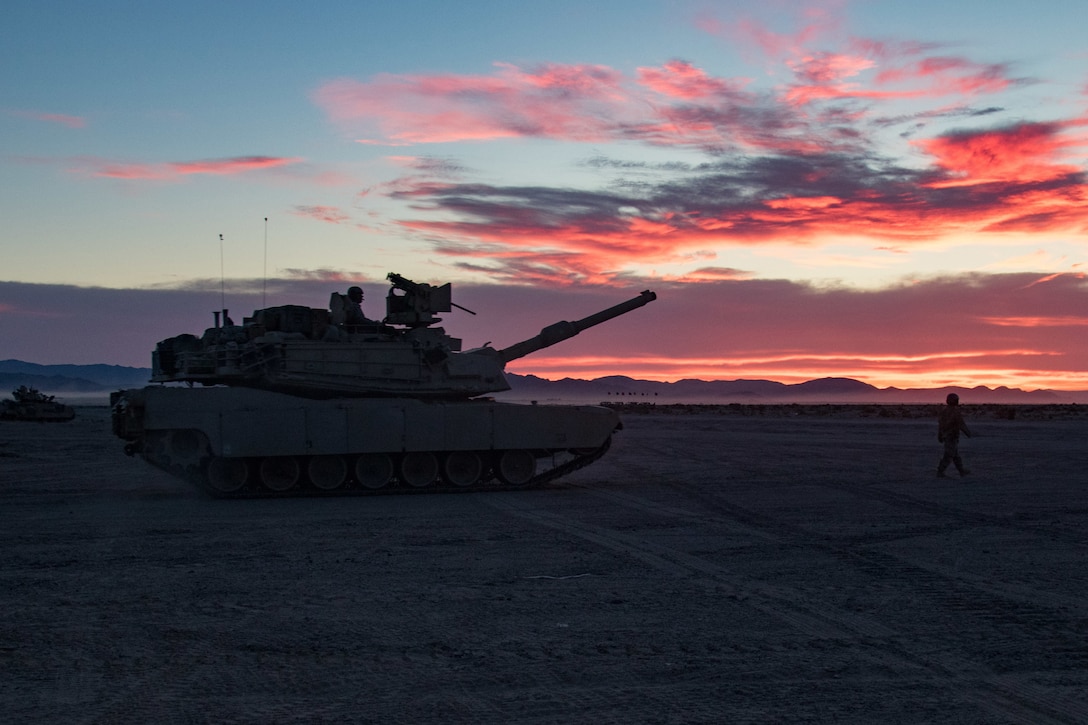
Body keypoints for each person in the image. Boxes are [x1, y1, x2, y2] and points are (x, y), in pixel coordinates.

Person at [937, 393, 971, 477]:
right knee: (949, 455)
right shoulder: (955, 412)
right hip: (952, 436)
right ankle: (940, 471)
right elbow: (961, 424)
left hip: (947, 436)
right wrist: (968, 433)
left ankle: (961, 471)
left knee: (955, 455)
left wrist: (940, 435)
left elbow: (940, 425)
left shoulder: (944, 411)